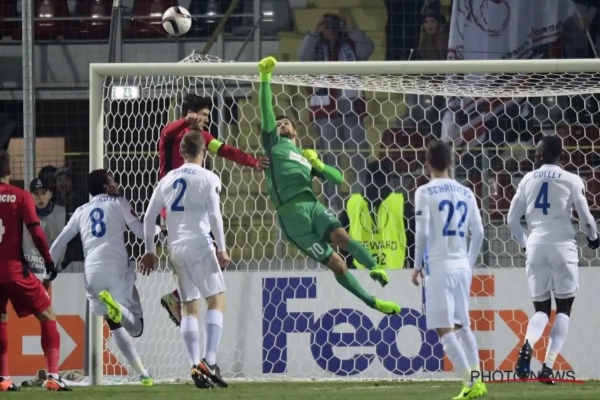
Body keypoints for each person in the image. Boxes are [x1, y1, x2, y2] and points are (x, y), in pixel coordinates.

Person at [257, 56, 400, 315]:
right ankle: (372, 302)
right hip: (292, 216)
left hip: (313, 205)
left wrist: (319, 165)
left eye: (286, 122)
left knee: (343, 238)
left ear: (296, 131)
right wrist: (265, 79)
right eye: (278, 125)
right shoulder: (273, 145)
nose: (281, 125)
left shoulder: (304, 156)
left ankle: (374, 267)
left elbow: (338, 179)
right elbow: (266, 112)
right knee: (337, 264)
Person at [159, 93, 269, 327]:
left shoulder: (203, 138)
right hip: (173, 211)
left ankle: (177, 298)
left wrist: (253, 162)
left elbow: (226, 150)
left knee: (213, 260)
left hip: (192, 212)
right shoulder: (173, 135)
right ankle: (179, 300)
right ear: (192, 114)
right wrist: (185, 121)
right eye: (204, 115)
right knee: (209, 258)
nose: (207, 119)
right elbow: (167, 132)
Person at [49, 169, 160, 387]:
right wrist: (159, 229)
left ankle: (143, 374)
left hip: (92, 273)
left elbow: (59, 243)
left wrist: (48, 270)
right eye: (112, 181)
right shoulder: (119, 202)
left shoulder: (80, 211)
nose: (116, 184)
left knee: (114, 322)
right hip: (116, 269)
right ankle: (119, 307)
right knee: (136, 327)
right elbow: (140, 232)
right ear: (105, 187)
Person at [141, 131, 229, 390]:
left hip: (175, 248)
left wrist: (149, 251)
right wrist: (222, 248)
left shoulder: (167, 179)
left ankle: (194, 364)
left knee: (189, 307)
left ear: (180, 152)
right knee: (216, 302)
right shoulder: (209, 177)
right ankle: (209, 362)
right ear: (204, 152)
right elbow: (214, 215)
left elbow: (149, 218)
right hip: (200, 245)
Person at [507, 135, 599, 383]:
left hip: (535, 245)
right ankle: (547, 367)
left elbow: (511, 220)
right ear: (560, 155)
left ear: (540, 156)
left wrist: (525, 244)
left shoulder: (527, 179)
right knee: (564, 309)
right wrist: (593, 237)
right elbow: (585, 217)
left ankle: (527, 345)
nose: (535, 156)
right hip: (562, 247)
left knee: (541, 310)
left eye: (536, 153)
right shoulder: (571, 179)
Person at [411, 140, 487, 399]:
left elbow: (422, 233)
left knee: (445, 330)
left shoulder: (424, 192)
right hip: (461, 265)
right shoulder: (466, 192)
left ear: (427, 164)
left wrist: (417, 266)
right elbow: (479, 231)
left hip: (439, 266)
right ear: (452, 162)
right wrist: (469, 262)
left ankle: (470, 383)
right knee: (463, 326)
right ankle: (478, 381)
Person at [0, 150, 69, 392]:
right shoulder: (20, 196)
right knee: (48, 314)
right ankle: (53, 376)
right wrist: (48, 261)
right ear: (9, 169)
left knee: (1, 318)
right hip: (14, 270)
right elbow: (36, 231)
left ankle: (3, 378)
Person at [298, 11, 372, 211]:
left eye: (334, 25)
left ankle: (359, 201)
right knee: (330, 161)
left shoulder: (351, 43)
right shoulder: (315, 46)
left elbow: (368, 49)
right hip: (324, 110)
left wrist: (351, 28)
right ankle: (333, 205)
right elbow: (302, 57)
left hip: (351, 107)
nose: (331, 29)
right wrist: (314, 32)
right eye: (327, 25)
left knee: (359, 157)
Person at [22, 178, 67, 275]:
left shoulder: (63, 214)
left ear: (50, 194)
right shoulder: (22, 216)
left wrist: (63, 263)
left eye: (43, 193)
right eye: (36, 194)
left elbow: (73, 242)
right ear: (30, 196)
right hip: (30, 273)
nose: (40, 197)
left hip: (58, 273)